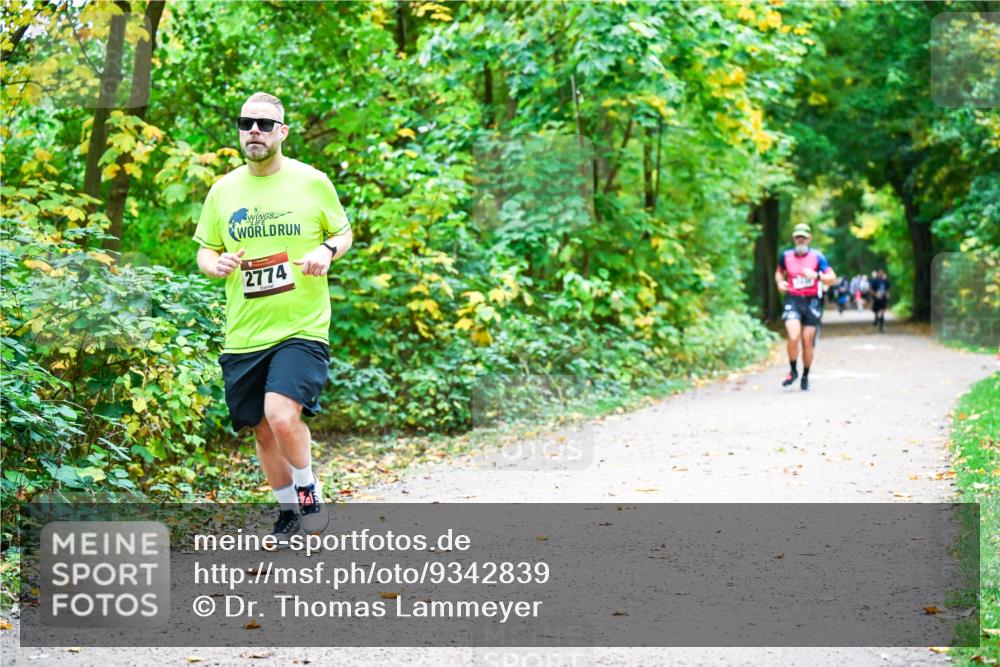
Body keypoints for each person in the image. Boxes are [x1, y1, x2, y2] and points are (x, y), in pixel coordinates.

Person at [193, 92, 352, 545]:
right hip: (243, 332)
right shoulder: (223, 190)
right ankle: (287, 510)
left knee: (279, 414)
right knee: (261, 429)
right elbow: (206, 249)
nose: (255, 131)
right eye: (247, 123)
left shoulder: (312, 182)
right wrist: (215, 264)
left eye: (265, 124)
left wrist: (325, 250)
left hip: (301, 326)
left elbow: (343, 233)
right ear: (240, 132)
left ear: (282, 131)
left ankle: (307, 488)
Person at [775, 223, 837, 391]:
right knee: (793, 336)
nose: (800, 240)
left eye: (803, 237)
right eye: (797, 237)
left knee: (807, 341)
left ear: (809, 239)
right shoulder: (786, 256)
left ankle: (805, 376)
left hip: (812, 302)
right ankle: (793, 370)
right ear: (794, 239)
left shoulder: (818, 257)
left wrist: (817, 275)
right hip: (793, 299)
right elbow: (779, 271)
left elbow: (832, 278)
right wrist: (780, 282)